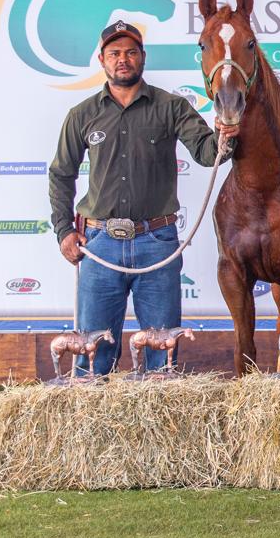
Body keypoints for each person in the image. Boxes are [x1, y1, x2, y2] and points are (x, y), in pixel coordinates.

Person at [49, 21, 236, 376]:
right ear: (102, 60)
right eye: (115, 53)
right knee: (93, 355)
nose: (123, 59)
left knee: (160, 354)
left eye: (131, 52)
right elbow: (61, 174)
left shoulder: (171, 107)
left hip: (157, 242)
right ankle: (94, 429)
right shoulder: (82, 115)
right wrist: (63, 231)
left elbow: (208, 152)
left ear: (142, 58)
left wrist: (225, 132)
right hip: (99, 243)